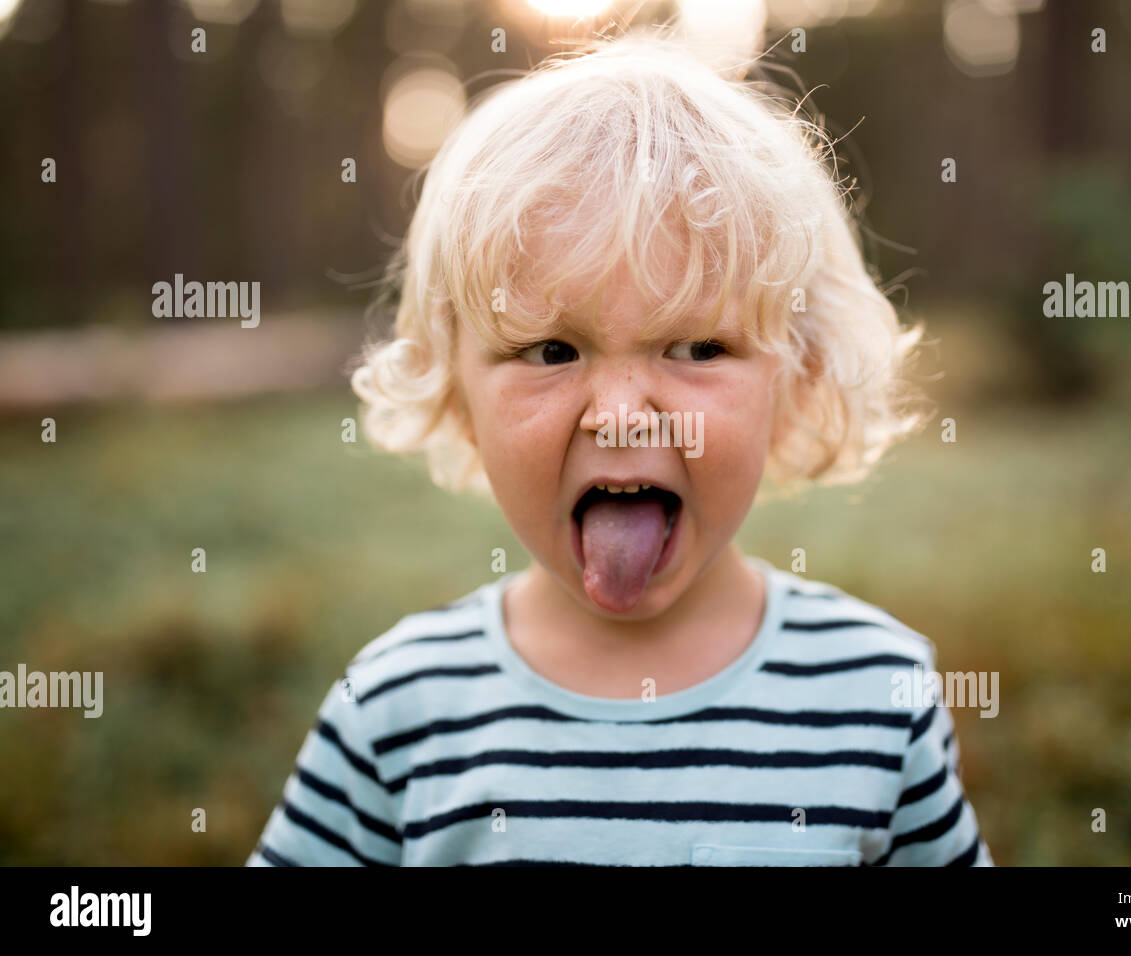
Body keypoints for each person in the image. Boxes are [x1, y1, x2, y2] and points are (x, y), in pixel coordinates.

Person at [248, 27, 992, 867]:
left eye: (699, 349)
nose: (623, 418)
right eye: (551, 352)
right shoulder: (397, 707)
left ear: (799, 378)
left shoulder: (874, 692)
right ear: (454, 394)